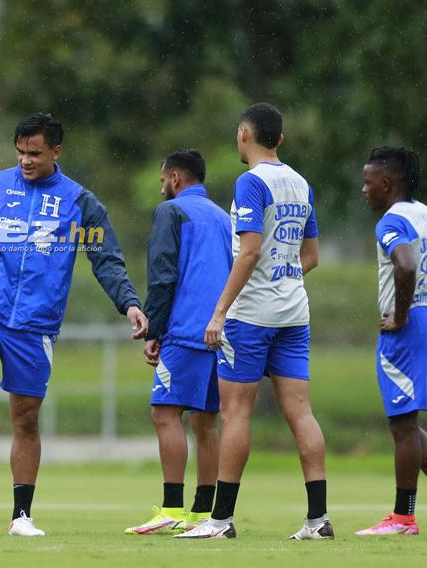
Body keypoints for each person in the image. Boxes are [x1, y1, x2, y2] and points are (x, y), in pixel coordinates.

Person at [0, 113, 148, 536]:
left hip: (35, 323)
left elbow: (106, 260)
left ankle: (21, 517)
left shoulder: (80, 202)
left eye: (35, 153)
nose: (25, 160)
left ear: (56, 151)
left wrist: (129, 303)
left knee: (25, 419)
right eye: (20, 152)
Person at [177, 103, 331, 540]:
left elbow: (249, 252)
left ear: (244, 134)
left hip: (250, 317)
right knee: (301, 412)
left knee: (235, 413)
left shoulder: (250, 182)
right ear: (280, 139)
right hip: (294, 314)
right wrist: (283, 281)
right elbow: (311, 256)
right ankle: (318, 520)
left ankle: (220, 520)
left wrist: (220, 311)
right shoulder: (301, 183)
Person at [125, 149, 231, 535]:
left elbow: (163, 274)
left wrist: (154, 331)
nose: (161, 188)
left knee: (165, 413)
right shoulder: (223, 217)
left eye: (162, 181)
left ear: (175, 178)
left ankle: (171, 507)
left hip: (185, 331)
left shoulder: (170, 212)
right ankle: (203, 513)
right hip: (221, 331)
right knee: (206, 421)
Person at [356, 147, 427, 536]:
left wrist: (400, 315)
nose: (364, 190)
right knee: (410, 425)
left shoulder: (391, 221)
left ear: (387, 184)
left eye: (368, 182)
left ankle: (403, 517)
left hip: (408, 326)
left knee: (403, 423)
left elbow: (406, 264)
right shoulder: (423, 213)